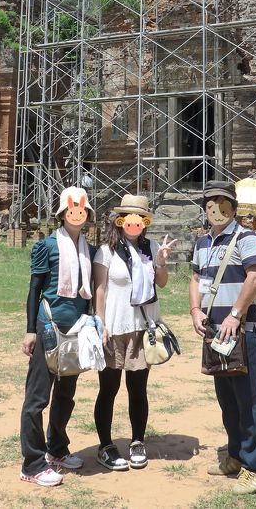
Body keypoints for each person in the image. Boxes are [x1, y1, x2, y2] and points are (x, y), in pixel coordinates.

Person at [189, 180, 256, 496]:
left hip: (241, 329)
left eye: (222, 203)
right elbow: (196, 278)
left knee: (248, 400)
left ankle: (252, 467)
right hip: (214, 332)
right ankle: (234, 455)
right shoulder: (202, 243)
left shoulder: (246, 237)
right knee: (227, 401)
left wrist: (235, 314)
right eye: (210, 204)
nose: (216, 209)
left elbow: (255, 277)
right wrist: (195, 310)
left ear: (233, 208)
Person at [93, 194, 176, 472]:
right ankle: (105, 446)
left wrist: (161, 261)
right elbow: (100, 290)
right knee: (108, 389)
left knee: (138, 389)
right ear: (120, 220)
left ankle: (137, 441)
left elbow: (161, 283)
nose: (134, 222)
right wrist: (101, 323)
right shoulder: (106, 251)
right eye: (129, 217)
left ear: (144, 222)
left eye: (139, 218)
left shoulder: (151, 247)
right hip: (115, 328)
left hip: (142, 328)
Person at [19, 186, 96, 487]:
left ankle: (57, 449)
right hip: (48, 328)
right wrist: (30, 330)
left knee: (65, 395)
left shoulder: (89, 249)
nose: (77, 214)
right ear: (63, 213)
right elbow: (34, 290)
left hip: (76, 332)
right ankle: (32, 464)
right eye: (71, 210)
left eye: (82, 210)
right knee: (37, 398)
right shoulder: (47, 246)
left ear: (87, 214)